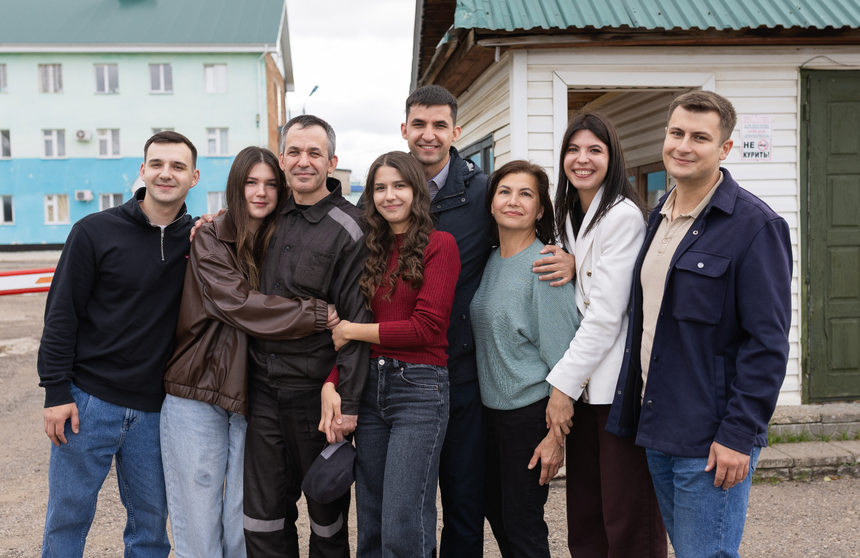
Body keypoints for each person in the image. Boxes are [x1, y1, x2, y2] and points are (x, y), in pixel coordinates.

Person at [606, 90, 792, 558]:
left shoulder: (755, 226)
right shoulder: (659, 217)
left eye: (700, 138)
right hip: (659, 426)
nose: (683, 146)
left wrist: (738, 434)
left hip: (711, 439)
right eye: (676, 133)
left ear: (725, 148)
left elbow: (767, 343)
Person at [400, 85, 575, 557]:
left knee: (487, 513)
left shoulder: (486, 199)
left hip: (488, 389)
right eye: (419, 124)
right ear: (405, 130)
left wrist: (575, 261)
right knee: (430, 506)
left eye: (440, 125)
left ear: (456, 131)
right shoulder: (392, 187)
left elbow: (563, 346)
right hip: (422, 378)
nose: (429, 134)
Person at [160, 146, 340, 558]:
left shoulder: (281, 237)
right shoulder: (209, 236)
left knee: (243, 524)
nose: (260, 193)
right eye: (250, 183)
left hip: (252, 391)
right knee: (199, 523)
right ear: (234, 187)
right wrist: (315, 314)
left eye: (270, 184)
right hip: (198, 388)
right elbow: (240, 304)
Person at [37, 131, 199, 557]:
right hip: (88, 403)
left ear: (194, 177)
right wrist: (56, 390)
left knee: (150, 527)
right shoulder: (93, 231)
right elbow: (61, 314)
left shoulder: (201, 242)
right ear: (142, 170)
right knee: (67, 519)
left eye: (178, 166)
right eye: (158, 164)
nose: (167, 173)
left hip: (156, 411)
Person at [241, 115, 372, 558]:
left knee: (327, 517)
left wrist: (348, 404)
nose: (303, 161)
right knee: (262, 520)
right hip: (260, 394)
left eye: (314, 153)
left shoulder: (352, 227)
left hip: (317, 399)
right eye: (294, 152)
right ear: (281, 160)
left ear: (332, 162)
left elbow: (356, 321)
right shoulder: (265, 216)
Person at [544, 112, 667, 557]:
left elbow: (605, 315)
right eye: (573, 150)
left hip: (615, 389)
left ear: (612, 157)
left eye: (594, 149)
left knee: (627, 514)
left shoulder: (622, 216)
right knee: (587, 511)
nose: (582, 159)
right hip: (586, 389)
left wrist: (561, 387)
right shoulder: (568, 214)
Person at [326, 151, 459, 557]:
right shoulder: (369, 250)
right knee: (371, 518)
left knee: (404, 518)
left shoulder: (440, 245)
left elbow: (426, 329)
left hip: (418, 389)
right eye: (380, 187)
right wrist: (333, 383)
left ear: (416, 191)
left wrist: (350, 330)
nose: (389, 196)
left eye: (399, 185)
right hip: (368, 387)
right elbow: (349, 335)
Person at [470, 160, 580, 558]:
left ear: (540, 210)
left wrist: (555, 436)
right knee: (498, 515)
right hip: (489, 413)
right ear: (491, 202)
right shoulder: (490, 259)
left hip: (529, 415)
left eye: (526, 194)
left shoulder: (544, 268)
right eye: (504, 192)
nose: (513, 201)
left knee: (523, 525)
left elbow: (568, 359)